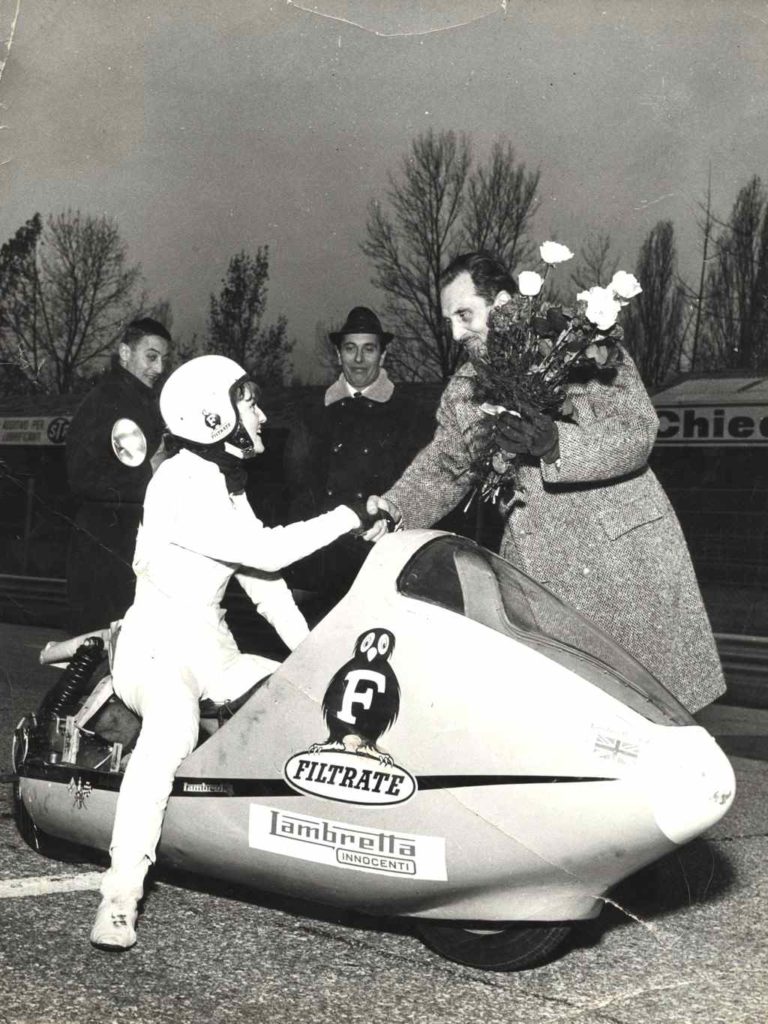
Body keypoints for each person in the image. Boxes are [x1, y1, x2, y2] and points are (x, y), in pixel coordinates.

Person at [90, 354, 380, 951]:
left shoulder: (225, 482)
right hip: (155, 649)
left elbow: (261, 582)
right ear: (213, 415)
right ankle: (119, 897)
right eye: (249, 402)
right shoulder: (174, 481)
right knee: (171, 729)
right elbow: (268, 554)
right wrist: (349, 514)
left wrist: (310, 656)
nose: (262, 414)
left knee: (305, 701)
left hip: (211, 649)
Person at [367, 252, 725, 714]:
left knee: (653, 727)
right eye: (449, 319)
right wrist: (396, 508)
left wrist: (557, 445)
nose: (456, 333)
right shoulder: (464, 389)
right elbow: (447, 463)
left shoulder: (580, 347)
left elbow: (637, 431)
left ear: (500, 303)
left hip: (621, 564)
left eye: (464, 314)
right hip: (539, 575)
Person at [283, 306, 429, 613]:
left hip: (381, 561)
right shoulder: (312, 413)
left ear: (383, 355)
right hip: (321, 564)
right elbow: (296, 491)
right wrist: (297, 572)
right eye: (350, 349)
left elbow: (421, 490)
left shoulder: (410, 414)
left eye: (369, 349)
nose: (359, 360)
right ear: (338, 355)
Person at [65, 318, 170, 634]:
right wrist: (151, 475)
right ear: (125, 352)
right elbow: (81, 478)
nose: (159, 367)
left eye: (164, 359)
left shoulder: (142, 402)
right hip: (104, 550)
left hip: (128, 546)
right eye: (151, 356)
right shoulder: (107, 400)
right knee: (97, 656)